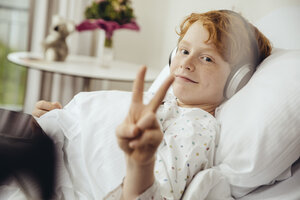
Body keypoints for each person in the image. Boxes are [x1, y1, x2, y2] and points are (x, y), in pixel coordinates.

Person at [33, 10, 272, 200]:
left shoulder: (196, 126)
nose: (185, 63)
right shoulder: (162, 102)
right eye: (184, 50)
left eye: (206, 58)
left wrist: (142, 162)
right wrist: (65, 119)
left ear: (236, 81)